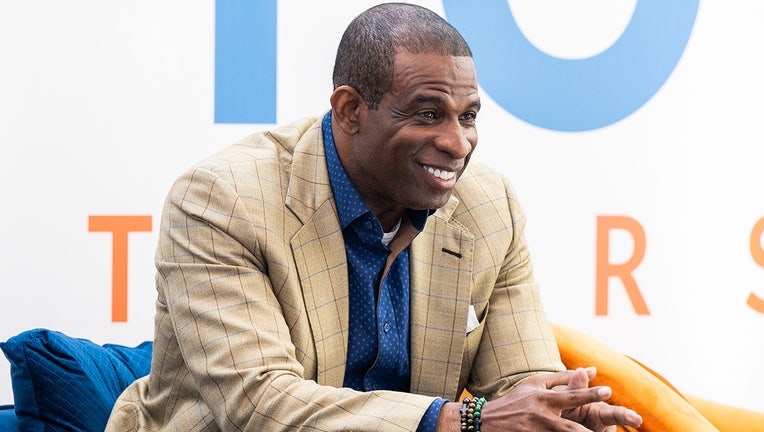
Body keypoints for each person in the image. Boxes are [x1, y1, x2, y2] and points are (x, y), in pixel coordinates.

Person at [107, 3, 643, 431]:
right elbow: (257, 407)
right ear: (349, 111)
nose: (458, 144)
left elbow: (521, 379)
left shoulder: (488, 206)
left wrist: (559, 413)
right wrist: (462, 419)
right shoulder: (223, 200)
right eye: (428, 114)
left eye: (469, 116)